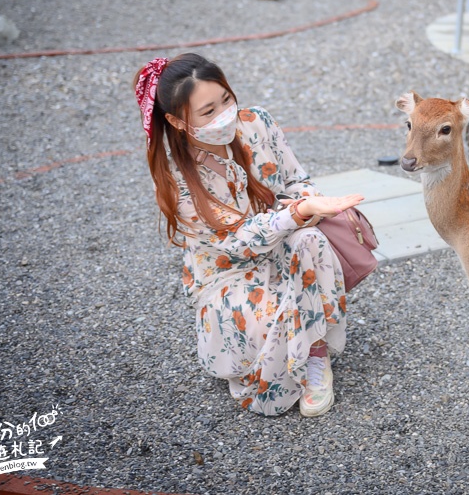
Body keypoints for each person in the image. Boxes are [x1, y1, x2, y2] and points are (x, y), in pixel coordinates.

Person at [133, 53, 363, 417]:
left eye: (226, 99)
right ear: (178, 121)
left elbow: (296, 180)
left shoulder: (257, 122)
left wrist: (305, 204)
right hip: (227, 272)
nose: (225, 114)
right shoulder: (176, 176)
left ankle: (315, 354)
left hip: (286, 245)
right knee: (255, 336)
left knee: (310, 241)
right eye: (208, 112)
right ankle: (290, 330)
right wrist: (297, 212)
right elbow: (234, 242)